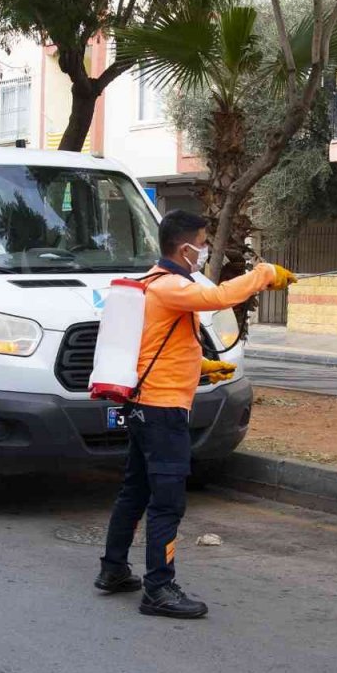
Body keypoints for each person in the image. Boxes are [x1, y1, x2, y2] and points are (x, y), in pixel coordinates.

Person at [95, 210, 295, 619]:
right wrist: (264, 273)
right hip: (162, 410)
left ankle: (113, 569)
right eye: (202, 243)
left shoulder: (151, 281)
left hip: (143, 404)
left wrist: (202, 367)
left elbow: (156, 346)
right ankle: (159, 589)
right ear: (184, 247)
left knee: (135, 490)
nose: (204, 250)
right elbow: (219, 297)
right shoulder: (170, 286)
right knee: (167, 502)